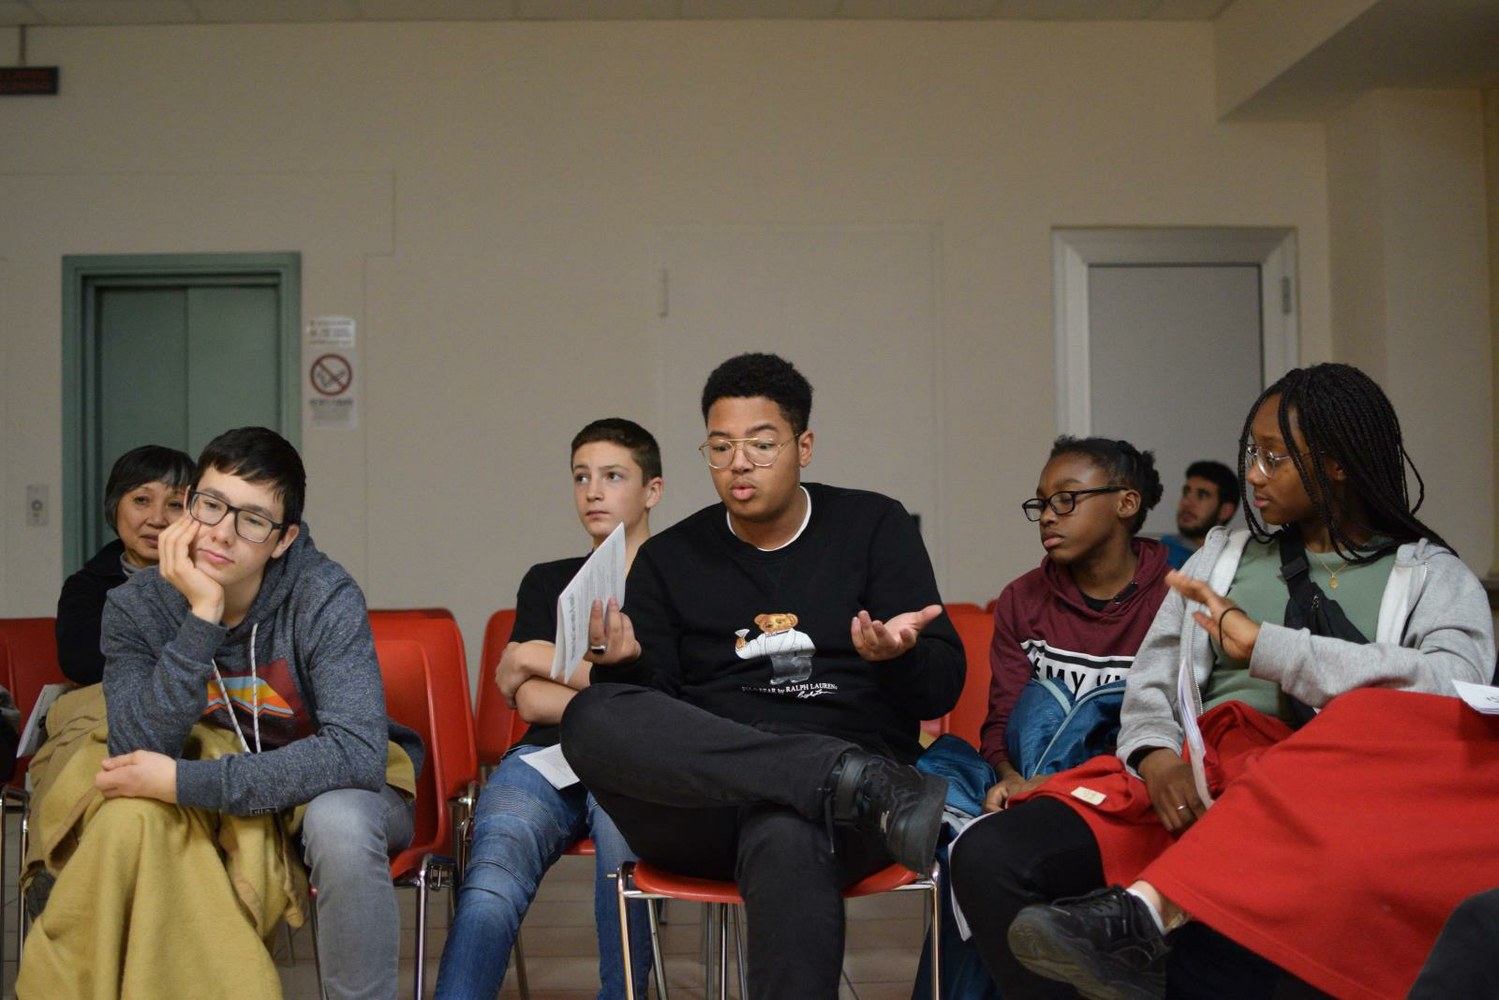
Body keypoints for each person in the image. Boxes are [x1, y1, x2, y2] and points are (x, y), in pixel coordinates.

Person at [949, 363, 1495, 1000]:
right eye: (1250, 454)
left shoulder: (1433, 576)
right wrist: (1155, 758)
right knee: (988, 857)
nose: (1253, 474)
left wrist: (1267, 646)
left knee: (1237, 930)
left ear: (1338, 464)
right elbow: (1151, 682)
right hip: (1194, 776)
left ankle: (1155, 921)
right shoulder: (1221, 556)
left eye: (1273, 457)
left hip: (1323, 805)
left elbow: (1455, 689)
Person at [560, 352, 964, 1000]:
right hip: (710, 803)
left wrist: (897, 656)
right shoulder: (669, 558)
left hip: (851, 814)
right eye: (720, 447)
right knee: (589, 714)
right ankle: (834, 775)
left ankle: (837, 779)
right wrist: (624, 664)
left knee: (787, 830)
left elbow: (940, 687)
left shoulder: (872, 527)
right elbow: (653, 716)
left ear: (803, 446)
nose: (739, 463)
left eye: (761, 444)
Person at [18, 426, 425, 1000]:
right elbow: (136, 746)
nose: (223, 533)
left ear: (283, 539)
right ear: (190, 504)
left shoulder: (322, 593)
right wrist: (201, 615)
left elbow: (354, 753)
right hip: (213, 789)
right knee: (129, 819)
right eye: (212, 505)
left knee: (340, 823)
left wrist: (187, 782)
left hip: (327, 786)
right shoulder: (135, 606)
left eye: (253, 520)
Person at [912, 437, 1172, 1000]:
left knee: (1106, 709)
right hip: (1030, 786)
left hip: (1127, 793)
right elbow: (1003, 719)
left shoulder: (1174, 597)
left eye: (1067, 499)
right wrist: (1009, 778)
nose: (1048, 516)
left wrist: (1056, 788)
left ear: (1126, 502)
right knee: (961, 820)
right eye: (1042, 503)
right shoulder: (1024, 599)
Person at [435, 417, 663, 1000]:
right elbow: (530, 701)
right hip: (547, 757)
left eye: (613, 476)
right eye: (582, 477)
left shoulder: (677, 585)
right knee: (494, 864)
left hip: (636, 759)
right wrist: (614, 685)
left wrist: (533, 655)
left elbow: (664, 697)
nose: (593, 491)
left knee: (620, 848)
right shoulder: (548, 581)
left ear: (652, 491)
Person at [56, 444, 195, 685]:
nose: (157, 519)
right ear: (115, 506)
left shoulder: (215, 579)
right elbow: (83, 664)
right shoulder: (87, 585)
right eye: (142, 500)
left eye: (175, 504)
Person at [1158, 461, 1237, 570]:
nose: (1187, 503)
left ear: (1224, 511)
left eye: (1201, 496)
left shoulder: (1232, 566)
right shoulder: (1156, 556)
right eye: (1186, 493)